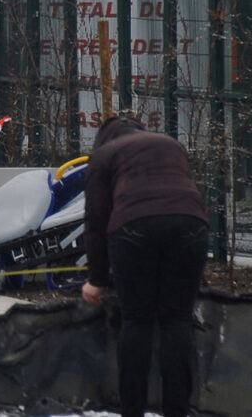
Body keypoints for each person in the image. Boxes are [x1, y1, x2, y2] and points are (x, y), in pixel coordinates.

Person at [81, 113, 209, 417]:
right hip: (191, 225)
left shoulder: (103, 156)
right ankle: (178, 410)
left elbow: (96, 222)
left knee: (136, 320)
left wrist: (96, 279)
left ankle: (132, 410)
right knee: (177, 319)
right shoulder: (170, 144)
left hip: (133, 228)